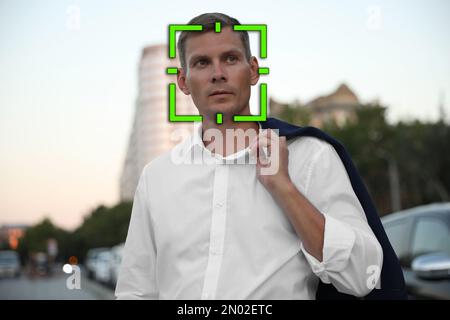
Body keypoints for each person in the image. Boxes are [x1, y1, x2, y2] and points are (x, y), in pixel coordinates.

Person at [115, 12, 405, 300]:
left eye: (230, 58)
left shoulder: (311, 156)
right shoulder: (157, 177)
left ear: (253, 70)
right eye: (202, 63)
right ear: (183, 81)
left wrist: (285, 189)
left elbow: (363, 276)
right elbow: (136, 291)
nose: (218, 73)